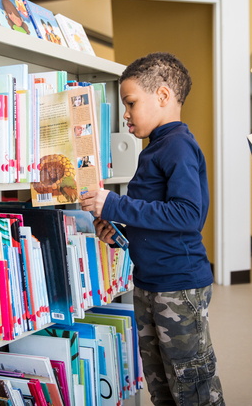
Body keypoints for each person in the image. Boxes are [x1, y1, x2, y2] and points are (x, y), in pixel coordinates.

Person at [80, 52, 224, 406]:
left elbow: (188, 214)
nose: (125, 114)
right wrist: (120, 234)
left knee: (191, 383)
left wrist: (113, 204)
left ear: (162, 96)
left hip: (179, 285)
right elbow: (156, 219)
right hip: (149, 282)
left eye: (130, 103)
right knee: (160, 382)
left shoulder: (178, 146)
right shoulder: (155, 148)